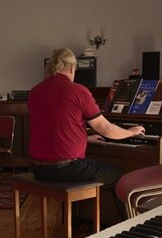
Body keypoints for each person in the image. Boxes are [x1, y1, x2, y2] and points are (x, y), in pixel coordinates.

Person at [28, 48, 145, 226]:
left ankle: (76, 223)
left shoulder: (35, 91)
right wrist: (131, 132)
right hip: (66, 169)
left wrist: (85, 138)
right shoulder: (77, 91)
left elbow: (52, 127)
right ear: (72, 68)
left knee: (87, 167)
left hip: (39, 168)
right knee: (119, 175)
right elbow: (105, 129)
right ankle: (128, 229)